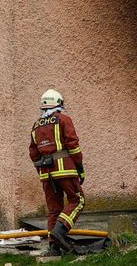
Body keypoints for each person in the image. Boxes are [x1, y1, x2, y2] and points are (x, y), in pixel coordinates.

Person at [29, 89, 84, 255]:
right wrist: (79, 167)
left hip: (46, 174)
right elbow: (73, 145)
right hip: (65, 169)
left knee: (54, 210)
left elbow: (33, 153)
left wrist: (42, 171)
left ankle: (54, 249)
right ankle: (59, 232)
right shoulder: (63, 119)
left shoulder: (36, 125)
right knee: (78, 200)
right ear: (59, 103)